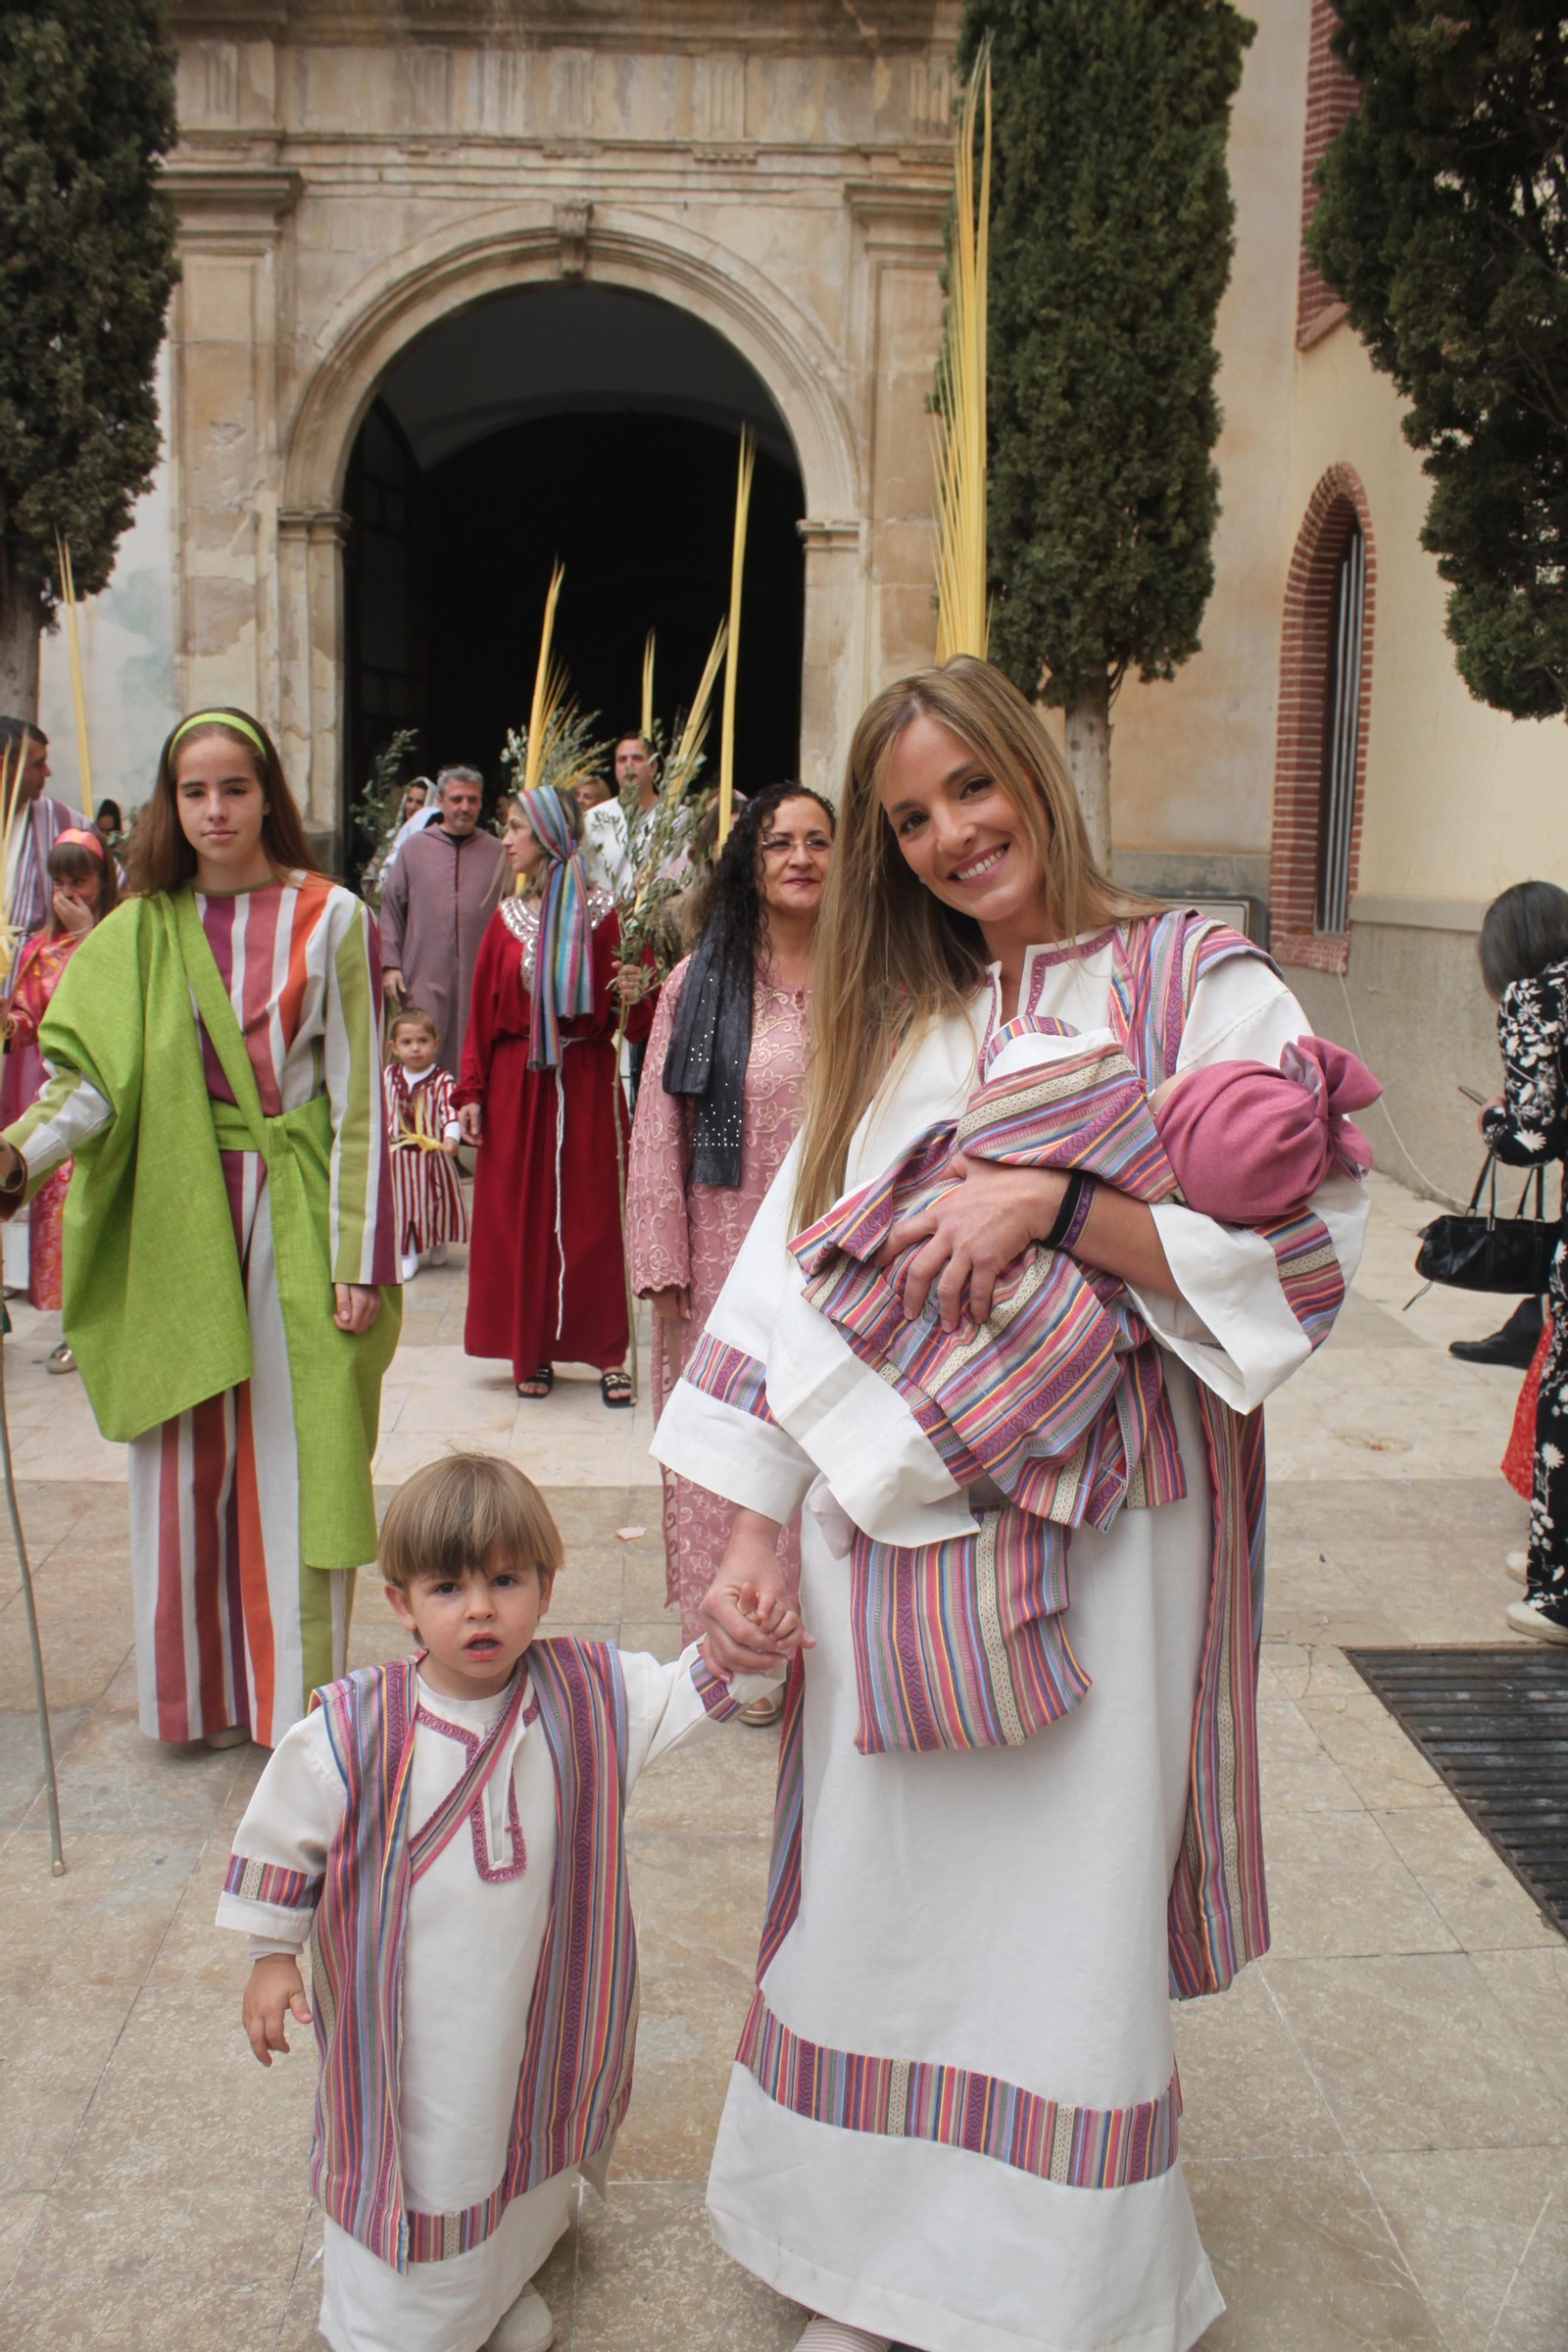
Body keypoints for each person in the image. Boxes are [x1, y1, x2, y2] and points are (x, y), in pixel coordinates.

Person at [654, 658, 1369, 2352]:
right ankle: (871, 2265)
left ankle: (1039, 2288)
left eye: (970, 788)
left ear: (1031, 771)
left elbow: (1301, 1256)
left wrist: (1054, 1201)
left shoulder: (1198, 974)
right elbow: (784, 1283)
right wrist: (756, 1530)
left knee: (1065, 1896)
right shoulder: (904, 1018)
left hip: (1114, 1530)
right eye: (910, 817)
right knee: (884, 1877)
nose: (951, 834)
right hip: (878, 1538)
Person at [217, 1450, 782, 2352]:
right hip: (414, 2038)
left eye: (505, 1580)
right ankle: (404, 2334)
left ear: (546, 1587)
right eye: (447, 1587)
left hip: (533, 2006)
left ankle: (489, 2300)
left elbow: (689, 1692)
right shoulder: (353, 1728)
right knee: (432, 2170)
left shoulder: (588, 1695)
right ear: (401, 1603)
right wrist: (271, 1956)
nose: (479, 1608)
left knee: (515, 2143)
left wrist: (746, 1643)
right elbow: (283, 1834)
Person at [0, 708, 400, 1751]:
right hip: (175, 1211)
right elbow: (88, 1089)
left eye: (234, 787)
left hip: (296, 1212)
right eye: (194, 791)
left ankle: (296, 1703)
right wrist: (15, 1155)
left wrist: (361, 1258)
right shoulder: (140, 930)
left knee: (293, 1456)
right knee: (184, 1459)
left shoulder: (335, 918)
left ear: (268, 791)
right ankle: (196, 1700)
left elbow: (361, 1104)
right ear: (171, 805)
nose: (215, 809)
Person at [627, 783, 834, 1700]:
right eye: (778, 842)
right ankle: (740, 1646)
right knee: (733, 1440)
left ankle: (828, 1639)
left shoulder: (878, 978)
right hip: (720, 1249)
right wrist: (662, 1256)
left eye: (818, 842)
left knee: (827, 1435)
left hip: (837, 1252)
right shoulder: (699, 984)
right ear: (750, 864)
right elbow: (655, 1127)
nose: (800, 858)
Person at [457, 787, 653, 1406]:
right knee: (523, 1219)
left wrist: (637, 987)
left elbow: (642, 1017)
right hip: (520, 1083)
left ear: (545, 838)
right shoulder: (504, 921)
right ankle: (531, 1347)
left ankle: (607, 1352)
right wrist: (471, 1092)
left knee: (595, 1218)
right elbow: (480, 1017)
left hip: (587, 1077)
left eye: (514, 828)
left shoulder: (607, 915)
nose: (505, 839)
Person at [1475, 880, 1568, 1646]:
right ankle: (1550, 1555)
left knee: (1563, 1401)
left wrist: (1492, 1124)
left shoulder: (1535, 995)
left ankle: (1558, 1589)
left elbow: (1531, 1135)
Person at [4, 827, 119, 1361]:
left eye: (82, 880)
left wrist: (87, 936)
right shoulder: (39, 948)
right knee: (63, 1219)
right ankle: (72, 1330)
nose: (69, 892)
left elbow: (115, 996)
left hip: (110, 1101)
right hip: (58, 1106)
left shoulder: (117, 934)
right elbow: (27, 1018)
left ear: (103, 881)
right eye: (60, 881)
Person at [380, 766, 510, 1074]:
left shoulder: (498, 852)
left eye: (472, 799)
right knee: (422, 1050)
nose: (464, 806)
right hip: (423, 972)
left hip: (481, 974)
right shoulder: (415, 849)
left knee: (476, 1052)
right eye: (456, 799)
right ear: (440, 801)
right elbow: (391, 909)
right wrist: (390, 965)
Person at [0, 717, 93, 1134]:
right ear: (5, 765)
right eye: (38, 764)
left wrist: (85, 931)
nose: (47, 773)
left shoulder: (63, 823)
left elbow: (114, 893)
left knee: (25, 1126)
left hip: (35, 1010)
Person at [384, 1004, 468, 1283]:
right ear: (394, 1047)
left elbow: (450, 1111)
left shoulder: (442, 1079)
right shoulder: (389, 1077)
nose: (415, 1048)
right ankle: (407, 1252)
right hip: (398, 1158)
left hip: (430, 1158)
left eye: (422, 1041)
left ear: (435, 1043)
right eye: (407, 1042)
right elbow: (381, 1110)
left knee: (433, 1205)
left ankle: (437, 1240)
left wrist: (451, 1137)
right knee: (403, 1206)